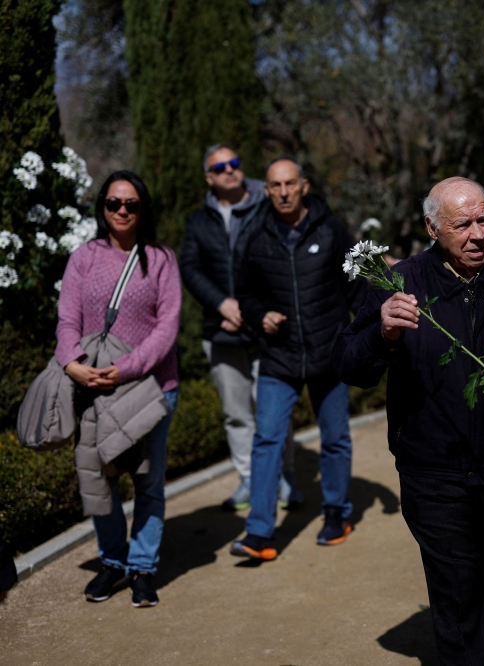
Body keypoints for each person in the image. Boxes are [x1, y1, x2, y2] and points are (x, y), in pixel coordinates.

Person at [334, 176, 484, 665]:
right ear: (432, 228)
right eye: (462, 224)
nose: (477, 235)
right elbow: (349, 366)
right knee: (456, 583)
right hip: (433, 468)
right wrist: (382, 332)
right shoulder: (399, 283)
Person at [230, 158, 367, 560]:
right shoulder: (255, 235)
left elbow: (356, 288)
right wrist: (259, 315)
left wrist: (368, 338)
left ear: (304, 186)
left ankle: (336, 514)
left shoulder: (331, 229)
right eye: (275, 185)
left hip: (329, 353)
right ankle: (258, 533)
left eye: (291, 183)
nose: (284, 191)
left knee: (335, 439)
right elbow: (246, 293)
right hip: (279, 357)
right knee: (267, 439)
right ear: (267, 190)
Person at [55, 170, 181, 608]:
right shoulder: (83, 258)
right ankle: (113, 561)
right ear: (102, 208)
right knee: (99, 480)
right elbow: (67, 317)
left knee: (148, 482)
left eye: (130, 204)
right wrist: (71, 363)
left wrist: (125, 368)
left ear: (142, 208)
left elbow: (167, 328)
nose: (122, 211)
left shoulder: (161, 259)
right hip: (94, 389)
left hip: (151, 388)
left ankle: (143, 568)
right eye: (113, 204)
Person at [180, 143, 300, 512]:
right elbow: (190, 268)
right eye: (220, 168)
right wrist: (222, 304)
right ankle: (249, 479)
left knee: (275, 412)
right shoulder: (199, 222)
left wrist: (257, 309)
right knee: (236, 414)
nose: (229, 171)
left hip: (267, 330)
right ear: (209, 177)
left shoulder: (269, 207)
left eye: (234, 163)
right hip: (221, 331)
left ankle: (283, 478)